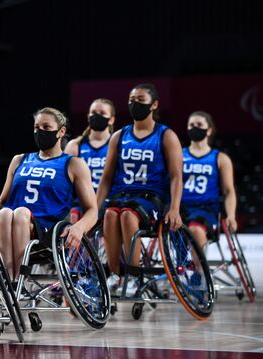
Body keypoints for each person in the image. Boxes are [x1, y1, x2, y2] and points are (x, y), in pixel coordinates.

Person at [0, 107, 98, 280]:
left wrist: (79, 227)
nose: (40, 132)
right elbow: (2, 200)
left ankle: (16, 279)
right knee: (6, 212)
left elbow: (92, 210)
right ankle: (8, 278)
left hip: (47, 230)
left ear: (61, 132)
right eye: (37, 128)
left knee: (21, 213)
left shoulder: (73, 164)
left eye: (46, 127)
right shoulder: (19, 160)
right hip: (8, 223)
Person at [96, 84, 183, 295]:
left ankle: (134, 275)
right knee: (108, 214)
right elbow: (106, 178)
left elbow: (176, 177)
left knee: (127, 215)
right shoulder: (119, 136)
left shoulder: (166, 135)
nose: (134, 104)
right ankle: (115, 275)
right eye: (131, 99)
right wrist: (93, 209)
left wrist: (174, 208)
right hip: (122, 194)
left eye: (140, 100)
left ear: (154, 105)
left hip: (151, 197)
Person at [181, 111, 236, 246]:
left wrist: (231, 216)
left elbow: (229, 191)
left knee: (195, 230)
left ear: (209, 130)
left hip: (206, 209)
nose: (195, 127)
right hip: (180, 208)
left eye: (199, 124)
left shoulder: (220, 158)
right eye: (191, 125)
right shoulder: (178, 155)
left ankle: (197, 267)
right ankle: (179, 264)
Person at [64, 98, 115, 223]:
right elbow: (64, 182)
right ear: (88, 116)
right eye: (93, 112)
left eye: (102, 113)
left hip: (109, 201)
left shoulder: (116, 144)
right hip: (81, 202)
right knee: (72, 214)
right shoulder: (75, 145)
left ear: (111, 119)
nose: (97, 116)